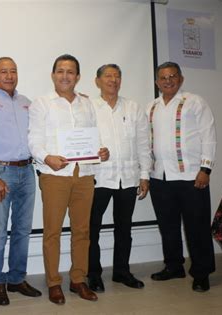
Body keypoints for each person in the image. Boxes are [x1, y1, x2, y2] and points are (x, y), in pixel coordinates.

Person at [28, 54, 109, 305]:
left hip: (84, 174)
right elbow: (33, 140)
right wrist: (46, 157)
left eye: (70, 71)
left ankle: (78, 279)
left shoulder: (87, 104)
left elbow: (93, 136)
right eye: (61, 71)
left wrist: (102, 151)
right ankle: (54, 282)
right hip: (55, 175)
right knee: (52, 232)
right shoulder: (41, 103)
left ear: (78, 77)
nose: (65, 76)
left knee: (82, 231)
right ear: (53, 75)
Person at [0, 57, 42, 306]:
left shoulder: (27, 103)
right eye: (4, 71)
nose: (9, 75)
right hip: (1, 173)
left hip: (27, 172)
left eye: (13, 71)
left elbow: (40, 134)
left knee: (23, 229)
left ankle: (16, 278)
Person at [146, 62, 216, 292]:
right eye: (163, 77)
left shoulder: (195, 102)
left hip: (191, 176)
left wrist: (205, 169)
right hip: (160, 177)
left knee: (197, 227)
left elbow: (209, 136)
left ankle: (201, 273)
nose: (168, 81)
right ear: (157, 82)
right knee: (168, 227)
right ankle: (174, 266)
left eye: (172, 76)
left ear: (181, 78)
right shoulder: (152, 107)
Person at [88, 64, 152, 293]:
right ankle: (93, 274)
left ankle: (121, 272)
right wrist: (94, 151)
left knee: (124, 228)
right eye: (108, 76)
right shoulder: (89, 107)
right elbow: (83, 140)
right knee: (91, 228)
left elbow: (144, 143)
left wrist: (145, 175)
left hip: (128, 177)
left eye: (117, 76)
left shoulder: (134, 107)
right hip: (98, 178)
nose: (113, 80)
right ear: (98, 81)